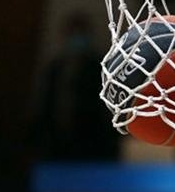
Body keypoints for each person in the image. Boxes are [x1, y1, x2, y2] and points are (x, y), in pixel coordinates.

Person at [34, 12, 119, 160]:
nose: (76, 39)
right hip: (57, 140)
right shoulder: (55, 68)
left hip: (93, 139)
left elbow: (107, 107)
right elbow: (45, 104)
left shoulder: (101, 68)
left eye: (80, 33)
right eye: (73, 33)